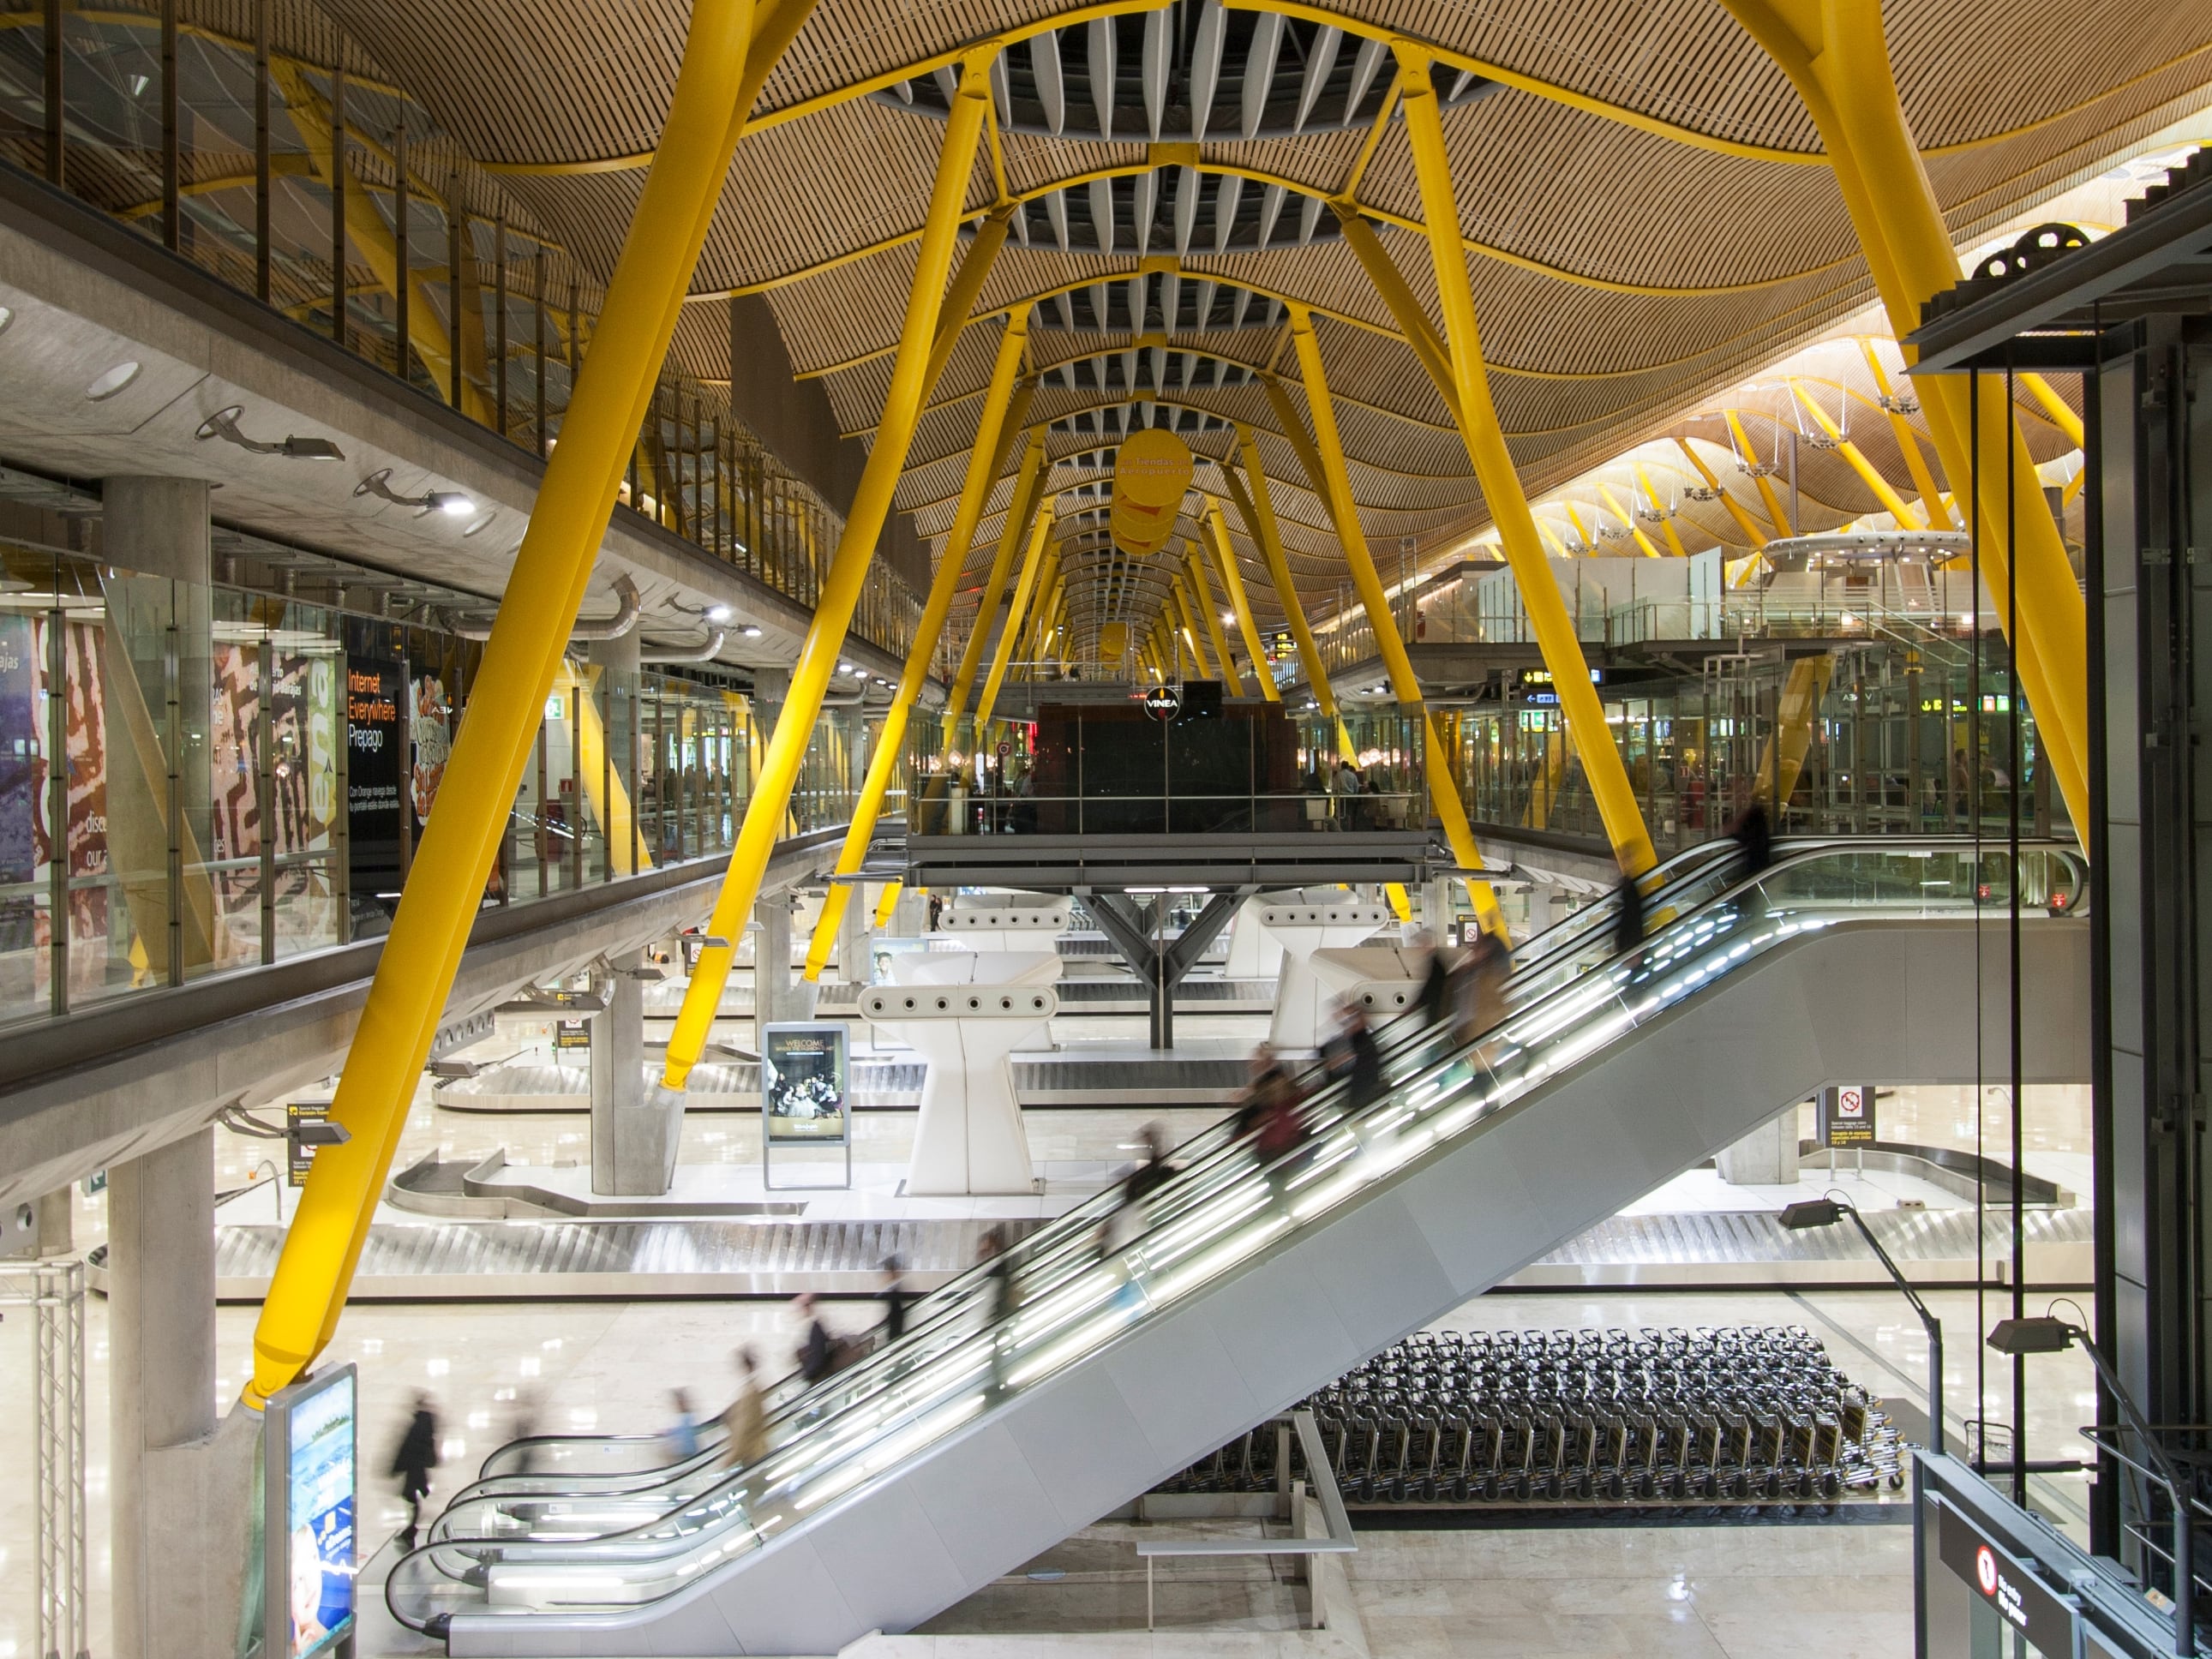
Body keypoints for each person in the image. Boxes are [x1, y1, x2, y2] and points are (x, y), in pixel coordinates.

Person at [389, 1392, 440, 1550]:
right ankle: (410, 1531)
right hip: (418, 1469)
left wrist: (395, 1468)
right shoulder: (427, 1421)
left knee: (412, 1500)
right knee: (414, 1500)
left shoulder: (417, 1426)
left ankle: (410, 1532)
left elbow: (407, 1448)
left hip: (414, 1470)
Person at [1323, 997, 1385, 1112]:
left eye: (1352, 1018)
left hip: (1362, 1095)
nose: (1349, 1022)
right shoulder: (1341, 1041)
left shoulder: (1362, 1040)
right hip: (1357, 1097)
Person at [719, 1347, 768, 1470]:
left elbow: (745, 1428)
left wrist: (732, 1458)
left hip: (752, 1456)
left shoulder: (751, 1392)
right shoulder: (752, 1388)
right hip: (752, 1454)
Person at [794, 1291, 835, 1385]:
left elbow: (817, 1357)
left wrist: (807, 1374)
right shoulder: (817, 1326)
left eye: (802, 1307)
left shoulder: (816, 1329)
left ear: (809, 1306)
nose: (800, 1311)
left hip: (818, 1380)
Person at [1728, 799, 1773, 877]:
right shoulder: (1762, 829)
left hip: (1754, 862)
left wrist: (1733, 836)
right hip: (1761, 862)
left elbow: (1746, 838)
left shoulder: (1754, 828)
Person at [879, 1255, 913, 1344]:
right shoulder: (895, 1290)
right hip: (896, 1334)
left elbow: (896, 1315)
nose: (885, 1276)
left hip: (895, 1335)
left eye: (887, 1272)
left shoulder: (894, 1292)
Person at [1613, 871, 1646, 958]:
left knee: (1631, 907)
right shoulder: (1624, 948)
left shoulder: (1626, 947)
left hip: (1632, 921)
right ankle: (1628, 886)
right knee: (1631, 907)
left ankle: (1628, 887)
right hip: (1631, 921)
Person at [665, 1388, 701, 1459]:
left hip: (689, 1453)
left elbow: (685, 1432)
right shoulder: (683, 1418)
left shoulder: (689, 1417)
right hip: (685, 1453)